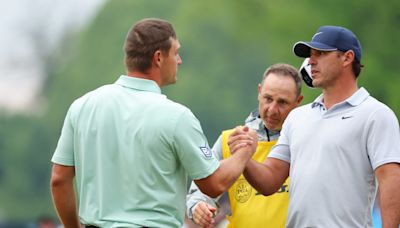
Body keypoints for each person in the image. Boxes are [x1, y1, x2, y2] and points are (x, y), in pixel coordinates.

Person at [50, 18, 257, 228]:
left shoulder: (82, 106)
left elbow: (59, 180)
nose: (179, 60)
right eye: (175, 53)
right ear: (158, 57)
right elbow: (214, 183)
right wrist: (244, 151)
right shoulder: (177, 117)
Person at [229, 25, 400, 227]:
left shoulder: (375, 114)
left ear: (347, 58)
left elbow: (391, 181)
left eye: (321, 53)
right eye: (311, 54)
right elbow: (270, 180)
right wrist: (244, 157)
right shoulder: (298, 117)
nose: (311, 61)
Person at [186, 63, 303, 227]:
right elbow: (199, 190)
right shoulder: (231, 139)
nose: (272, 109)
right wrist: (198, 207)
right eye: (268, 99)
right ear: (259, 91)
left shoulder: (305, 141)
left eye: (282, 102)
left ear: (298, 101)